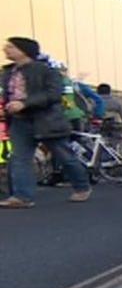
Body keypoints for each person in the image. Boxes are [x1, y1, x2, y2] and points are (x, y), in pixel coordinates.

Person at [0, 37, 91, 208]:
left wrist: (25, 103)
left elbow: (53, 95)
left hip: (46, 120)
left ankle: (82, 186)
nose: (5, 49)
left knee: (64, 156)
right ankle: (22, 197)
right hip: (19, 121)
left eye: (11, 47)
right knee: (20, 158)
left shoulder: (45, 71)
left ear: (24, 50)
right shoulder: (8, 72)